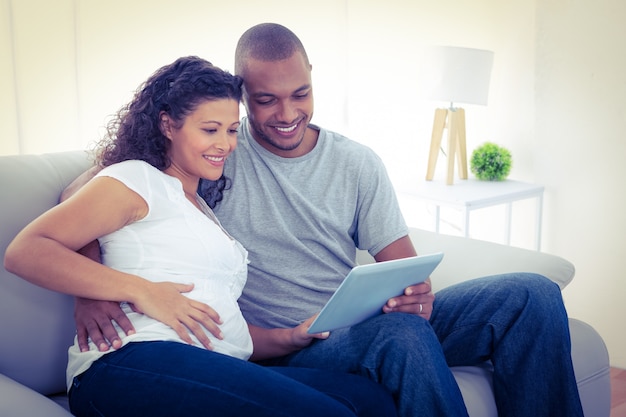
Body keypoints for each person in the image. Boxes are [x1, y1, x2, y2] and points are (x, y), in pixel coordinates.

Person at [68, 24, 583, 417]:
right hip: (293, 347)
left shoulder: (356, 162)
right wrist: (93, 291)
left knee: (530, 294)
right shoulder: (215, 149)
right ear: (242, 95)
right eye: (266, 100)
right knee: (399, 336)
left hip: (363, 326)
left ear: (313, 79)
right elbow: (83, 192)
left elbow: (404, 267)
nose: (287, 113)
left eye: (300, 94)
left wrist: (416, 293)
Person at [3, 55, 397, 417]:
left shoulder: (203, 209)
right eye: (209, 130)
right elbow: (26, 251)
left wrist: (288, 337)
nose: (224, 144)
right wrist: (141, 290)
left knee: (369, 400)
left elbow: (212, 324)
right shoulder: (137, 179)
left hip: (216, 366)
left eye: (231, 129)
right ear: (167, 125)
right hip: (132, 364)